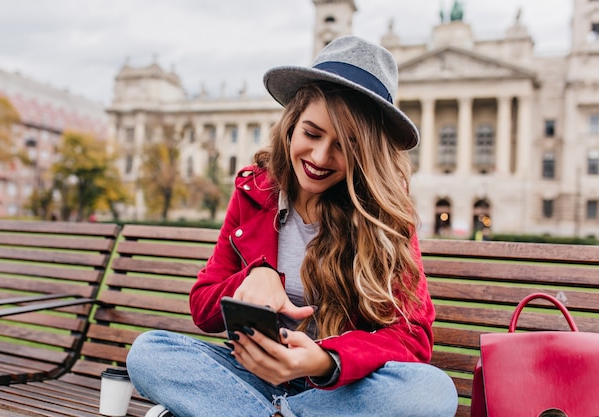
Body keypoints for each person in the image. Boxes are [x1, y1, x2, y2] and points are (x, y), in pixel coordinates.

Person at [127, 35, 458, 417]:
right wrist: (253, 277)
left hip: (338, 389)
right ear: (291, 125)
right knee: (149, 352)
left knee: (434, 393)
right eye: (312, 134)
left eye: (345, 146)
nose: (320, 157)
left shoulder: (384, 215)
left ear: (367, 152)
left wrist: (325, 360)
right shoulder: (256, 190)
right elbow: (203, 307)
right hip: (252, 375)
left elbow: (412, 339)